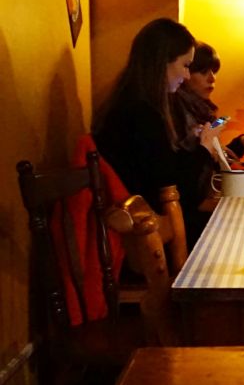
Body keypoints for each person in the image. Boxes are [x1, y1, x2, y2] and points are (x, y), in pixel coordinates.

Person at [94, 18, 226, 249]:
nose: (187, 76)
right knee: (232, 227)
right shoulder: (140, 113)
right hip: (146, 234)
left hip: (148, 222)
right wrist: (204, 148)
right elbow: (174, 191)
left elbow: (164, 171)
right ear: (162, 62)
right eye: (185, 65)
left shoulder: (131, 103)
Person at [174, 41, 244, 159]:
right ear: (186, 73)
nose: (212, 78)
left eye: (214, 71)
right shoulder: (176, 111)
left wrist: (241, 143)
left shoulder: (204, 110)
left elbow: (212, 159)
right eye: (203, 72)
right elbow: (188, 163)